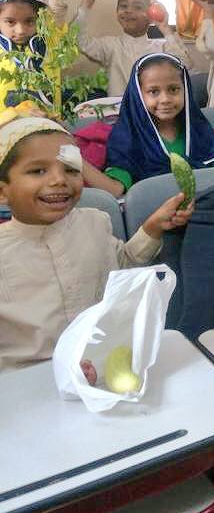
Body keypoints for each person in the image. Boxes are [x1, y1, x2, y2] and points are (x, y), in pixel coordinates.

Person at [0, 116, 193, 373]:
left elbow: (121, 268)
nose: (60, 180)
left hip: (105, 365)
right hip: (28, 380)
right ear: (3, 192)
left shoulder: (95, 222)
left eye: (70, 169)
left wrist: (152, 228)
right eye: (38, 171)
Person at [94, 54, 214, 196]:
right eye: (153, 91)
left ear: (185, 89)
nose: (165, 99)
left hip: (205, 213)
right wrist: (74, 158)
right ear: (139, 95)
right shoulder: (126, 138)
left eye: (173, 89)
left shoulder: (197, 131)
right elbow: (116, 190)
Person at [75, 0, 191, 97]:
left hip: (154, 112)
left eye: (138, 7)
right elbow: (80, 41)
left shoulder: (162, 47)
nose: (128, 11)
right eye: (123, 6)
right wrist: (87, 2)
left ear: (151, 15)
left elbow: (185, 66)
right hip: (119, 112)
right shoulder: (111, 46)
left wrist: (166, 29)